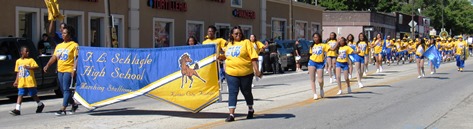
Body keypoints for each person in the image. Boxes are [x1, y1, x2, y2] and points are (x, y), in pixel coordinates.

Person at [223, 26, 262, 122]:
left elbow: (253, 57)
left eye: (240, 33)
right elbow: (226, 57)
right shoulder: (229, 45)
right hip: (231, 73)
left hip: (246, 73)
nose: (238, 35)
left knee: (246, 92)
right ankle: (231, 114)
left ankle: (250, 109)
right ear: (232, 35)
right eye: (236, 33)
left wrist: (257, 70)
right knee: (233, 92)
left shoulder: (246, 43)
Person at [44, 26, 79, 115]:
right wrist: (47, 65)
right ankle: (74, 104)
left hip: (69, 69)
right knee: (63, 90)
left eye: (65, 33)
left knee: (66, 89)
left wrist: (74, 69)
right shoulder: (59, 45)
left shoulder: (74, 45)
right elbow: (54, 57)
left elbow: (77, 58)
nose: (63, 35)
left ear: (69, 35)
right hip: (60, 69)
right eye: (62, 33)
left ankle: (63, 108)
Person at [10, 46, 45, 116]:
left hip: (30, 81)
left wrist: (30, 67)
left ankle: (40, 104)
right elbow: (18, 72)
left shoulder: (30, 60)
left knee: (33, 95)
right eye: (26, 51)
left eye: (28, 51)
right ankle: (17, 109)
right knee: (20, 95)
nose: (28, 53)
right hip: (22, 81)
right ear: (22, 52)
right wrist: (16, 81)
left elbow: (37, 67)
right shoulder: (18, 61)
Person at [308, 33, 328, 100]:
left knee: (320, 80)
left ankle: (321, 88)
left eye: (316, 37)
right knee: (312, 79)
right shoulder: (312, 46)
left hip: (320, 63)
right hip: (312, 62)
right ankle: (315, 94)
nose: (315, 38)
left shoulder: (323, 45)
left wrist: (337, 43)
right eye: (314, 37)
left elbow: (332, 49)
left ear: (319, 38)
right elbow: (310, 54)